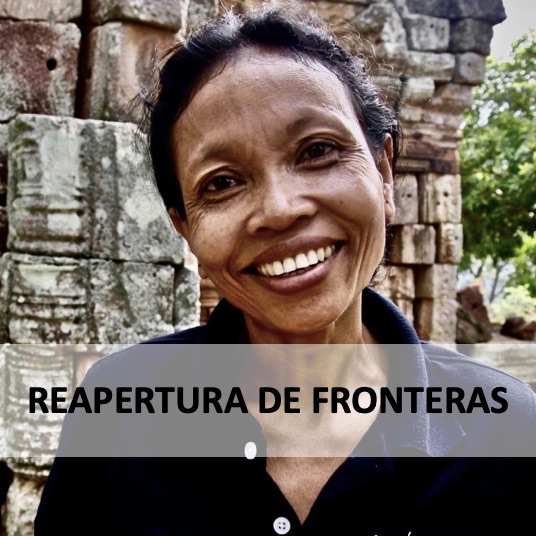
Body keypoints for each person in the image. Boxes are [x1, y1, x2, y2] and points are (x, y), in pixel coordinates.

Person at [35, 4, 536, 535]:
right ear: (184, 228)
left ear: (385, 173)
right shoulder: (118, 411)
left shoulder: (505, 428)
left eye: (318, 150)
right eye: (222, 182)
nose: (280, 209)